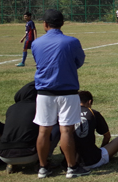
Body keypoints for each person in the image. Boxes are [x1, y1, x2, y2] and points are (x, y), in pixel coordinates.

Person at [32, 9, 90, 178]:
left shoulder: (36, 43)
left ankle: (43, 167)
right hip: (68, 91)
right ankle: (72, 167)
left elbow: (39, 61)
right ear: (62, 23)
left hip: (44, 92)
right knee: (66, 130)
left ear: (44, 24)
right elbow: (79, 61)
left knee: (44, 130)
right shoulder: (72, 42)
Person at [73, 91, 118, 171]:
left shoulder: (68, 114)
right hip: (93, 161)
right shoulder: (93, 113)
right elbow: (107, 136)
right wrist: (102, 148)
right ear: (89, 102)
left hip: (71, 162)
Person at [0, 82, 40, 174]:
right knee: (52, 130)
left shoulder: (11, 108)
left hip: (3, 155)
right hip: (30, 154)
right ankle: (42, 162)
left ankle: (11, 164)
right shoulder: (39, 107)